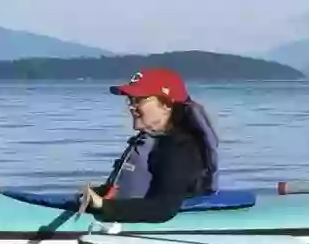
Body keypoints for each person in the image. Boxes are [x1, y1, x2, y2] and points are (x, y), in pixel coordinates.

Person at [77, 65, 221, 221]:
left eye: (139, 100)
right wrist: (96, 194)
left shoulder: (181, 148)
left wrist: (103, 206)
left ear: (167, 105)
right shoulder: (152, 140)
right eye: (130, 100)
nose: (131, 107)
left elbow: (163, 208)